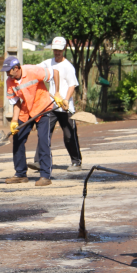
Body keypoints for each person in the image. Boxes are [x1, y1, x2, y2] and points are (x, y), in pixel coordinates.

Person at [2, 56, 68, 186]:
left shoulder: (32, 70)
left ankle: (45, 176)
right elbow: (16, 103)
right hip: (26, 111)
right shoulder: (10, 81)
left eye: (8, 71)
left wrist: (57, 93)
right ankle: (20, 174)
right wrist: (14, 121)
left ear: (16, 68)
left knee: (43, 141)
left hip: (43, 108)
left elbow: (55, 72)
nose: (7, 74)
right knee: (18, 138)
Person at [28, 36, 82, 173]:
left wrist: (66, 99)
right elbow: (35, 70)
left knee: (70, 135)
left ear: (64, 49)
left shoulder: (68, 66)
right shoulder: (48, 63)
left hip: (65, 106)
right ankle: (40, 161)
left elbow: (72, 85)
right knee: (44, 133)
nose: (56, 52)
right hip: (51, 105)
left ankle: (76, 162)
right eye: (54, 50)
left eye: (59, 50)